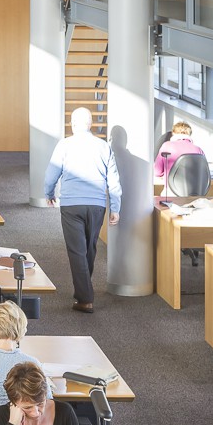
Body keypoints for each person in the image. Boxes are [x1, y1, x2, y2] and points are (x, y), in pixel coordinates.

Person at [43, 107, 122, 313]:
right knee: (89, 248)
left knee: (77, 251)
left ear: (72, 124)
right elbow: (113, 180)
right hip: (97, 205)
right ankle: (83, 292)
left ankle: (85, 298)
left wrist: (49, 193)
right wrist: (115, 207)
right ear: (91, 124)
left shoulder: (65, 145)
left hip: (71, 204)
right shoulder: (104, 146)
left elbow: (52, 173)